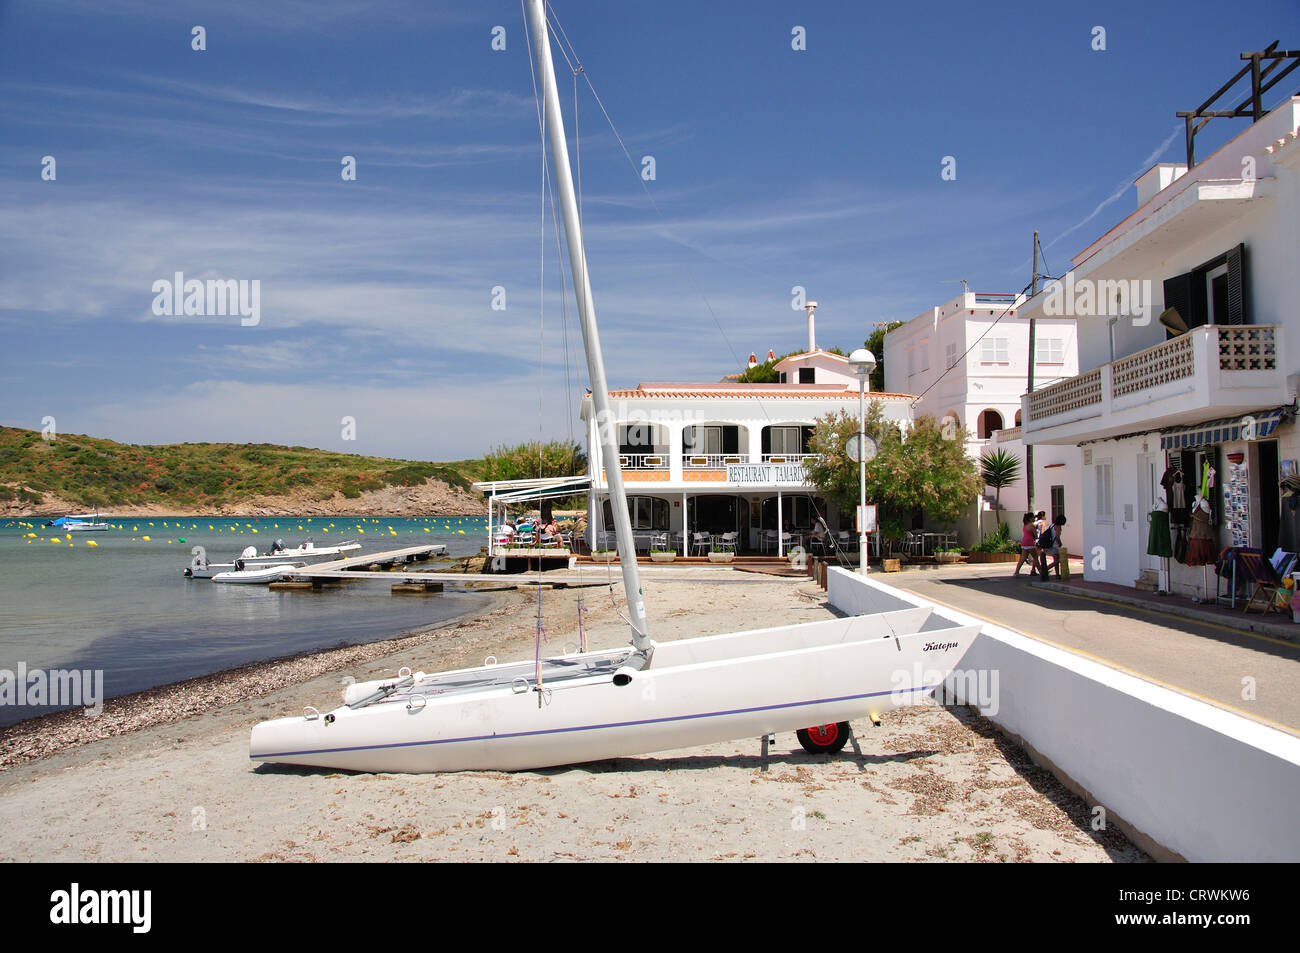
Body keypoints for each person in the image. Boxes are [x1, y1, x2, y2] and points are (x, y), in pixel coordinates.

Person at [1039, 515, 1067, 579]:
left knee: (1055, 560)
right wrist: (1060, 543)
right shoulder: (1058, 527)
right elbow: (1057, 537)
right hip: (1055, 546)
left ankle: (1057, 574)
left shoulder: (1052, 525)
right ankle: (1045, 570)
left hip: (1050, 544)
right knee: (1057, 561)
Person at [1012, 513, 1037, 578]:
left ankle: (1016, 572)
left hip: (1024, 542)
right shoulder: (1032, 525)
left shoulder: (1025, 525)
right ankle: (1041, 571)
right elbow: (1035, 535)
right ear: (1030, 518)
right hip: (1030, 543)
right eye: (1033, 517)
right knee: (1035, 557)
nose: (1034, 518)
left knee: (1022, 558)